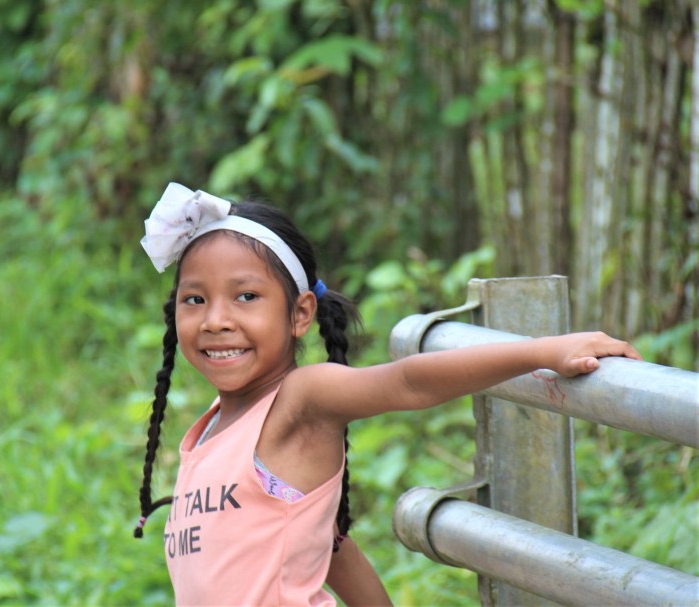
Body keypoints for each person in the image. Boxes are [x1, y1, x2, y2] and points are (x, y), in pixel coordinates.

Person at [133, 183, 641, 607]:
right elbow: (326, 544)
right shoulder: (212, 427)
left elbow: (407, 382)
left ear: (300, 314)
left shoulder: (301, 397)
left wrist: (542, 351)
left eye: (246, 296)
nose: (217, 319)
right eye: (194, 299)